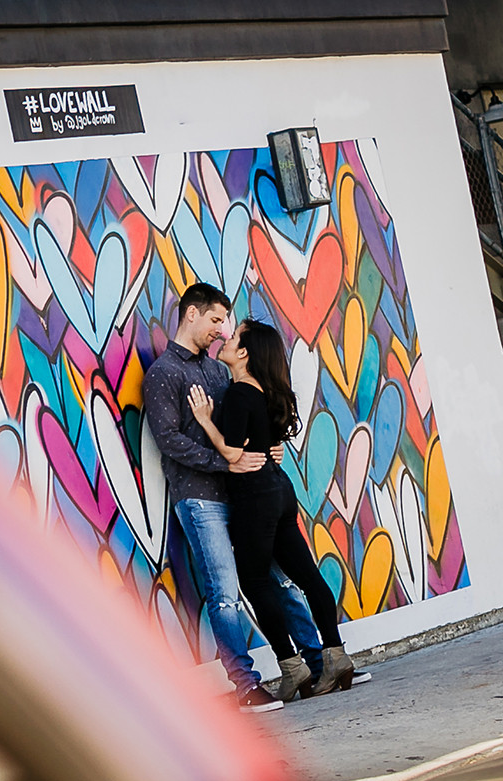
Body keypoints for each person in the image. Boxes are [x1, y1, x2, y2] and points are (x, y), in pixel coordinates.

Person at [141, 283, 324, 710]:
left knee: (281, 580)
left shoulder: (218, 371)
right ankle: (245, 684)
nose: (222, 331)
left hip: (246, 498)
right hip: (200, 499)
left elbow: (238, 431)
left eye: (225, 323)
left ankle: (317, 663)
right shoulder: (164, 374)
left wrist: (268, 444)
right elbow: (168, 441)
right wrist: (226, 464)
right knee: (224, 591)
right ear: (191, 315)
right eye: (216, 320)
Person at [187, 321, 358, 697]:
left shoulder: (238, 395)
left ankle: (292, 667)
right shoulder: (267, 392)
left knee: (254, 581)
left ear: (244, 353)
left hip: (255, 497)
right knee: (308, 576)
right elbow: (266, 446)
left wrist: (204, 421)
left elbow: (232, 453)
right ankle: (336, 655)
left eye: (233, 338)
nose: (226, 340)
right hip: (280, 489)